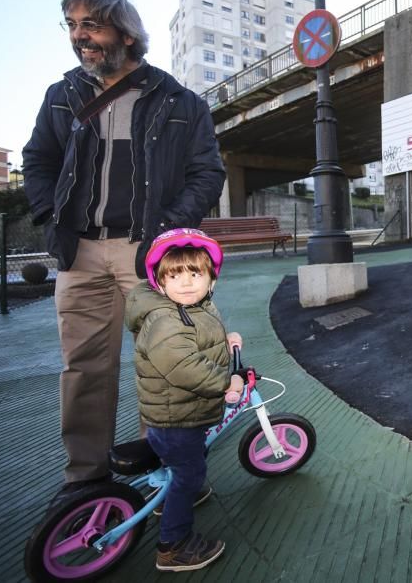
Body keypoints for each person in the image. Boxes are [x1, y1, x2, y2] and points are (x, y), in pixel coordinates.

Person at [21, 0, 226, 505]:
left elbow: (207, 173)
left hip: (150, 255)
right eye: (71, 25)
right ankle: (86, 480)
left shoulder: (180, 101)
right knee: (84, 368)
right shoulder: (62, 95)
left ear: (126, 32)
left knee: (168, 364)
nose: (79, 36)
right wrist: (49, 216)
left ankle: (173, 471)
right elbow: (38, 160)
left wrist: (167, 234)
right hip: (80, 252)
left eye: (90, 24)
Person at [125, 228, 244, 572]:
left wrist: (225, 338)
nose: (187, 282)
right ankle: (174, 546)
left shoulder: (194, 305)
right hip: (174, 416)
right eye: (175, 275)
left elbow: (199, 334)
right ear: (160, 282)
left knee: (192, 457)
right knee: (189, 474)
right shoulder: (164, 319)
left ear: (211, 279)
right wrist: (227, 381)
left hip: (182, 412)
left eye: (196, 273)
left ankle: (170, 498)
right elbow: (184, 366)